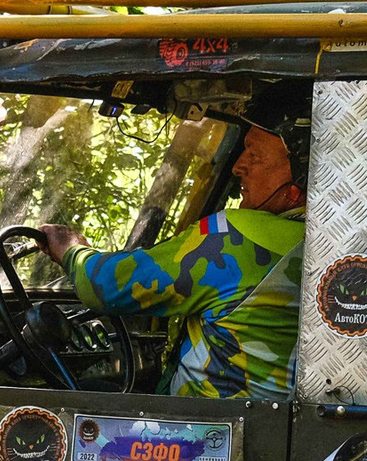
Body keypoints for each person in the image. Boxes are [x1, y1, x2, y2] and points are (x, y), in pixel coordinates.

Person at [38, 121, 309, 399]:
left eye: (254, 155)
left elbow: (102, 285)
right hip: (273, 425)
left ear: (298, 181)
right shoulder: (327, 248)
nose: (238, 167)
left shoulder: (236, 236)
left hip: (201, 428)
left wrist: (72, 249)